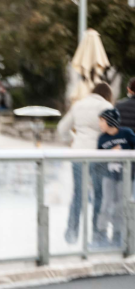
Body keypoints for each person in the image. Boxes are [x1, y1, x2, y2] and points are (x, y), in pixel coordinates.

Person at [57, 82, 113, 244]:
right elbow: (112, 131)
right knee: (99, 196)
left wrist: (73, 140)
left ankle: (71, 234)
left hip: (79, 154)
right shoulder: (106, 106)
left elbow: (62, 128)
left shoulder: (78, 105)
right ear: (107, 95)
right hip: (99, 156)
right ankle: (97, 234)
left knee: (78, 195)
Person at [95, 108, 135, 247]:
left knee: (120, 206)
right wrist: (109, 153)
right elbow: (98, 160)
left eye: (102, 120)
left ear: (110, 121)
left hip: (125, 177)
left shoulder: (127, 133)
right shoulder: (102, 138)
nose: (99, 124)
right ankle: (101, 233)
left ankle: (118, 234)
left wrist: (124, 152)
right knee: (106, 204)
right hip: (108, 177)